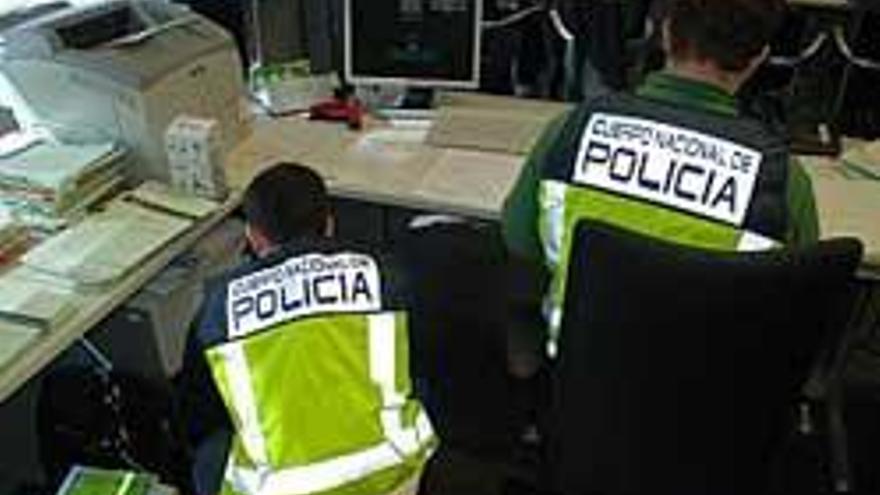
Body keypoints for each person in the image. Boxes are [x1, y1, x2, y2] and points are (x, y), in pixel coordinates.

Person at [501, 0, 820, 356]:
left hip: (576, 379)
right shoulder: (782, 179)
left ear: (664, 32)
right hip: (707, 394)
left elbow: (519, 242)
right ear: (759, 58)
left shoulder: (573, 130)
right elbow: (796, 302)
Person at [179, 163, 435, 495]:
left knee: (210, 453)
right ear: (329, 224)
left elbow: (197, 416)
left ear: (253, 237)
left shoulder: (216, 310)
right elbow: (424, 367)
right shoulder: (387, 276)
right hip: (392, 476)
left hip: (278, 490)